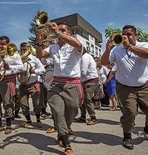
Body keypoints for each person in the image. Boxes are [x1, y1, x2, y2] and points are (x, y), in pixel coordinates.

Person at [101, 25, 148, 150]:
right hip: (124, 87)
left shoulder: (144, 44)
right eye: (123, 34)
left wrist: (129, 46)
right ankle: (127, 135)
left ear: (135, 35)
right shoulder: (117, 50)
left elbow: (147, 54)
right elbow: (103, 62)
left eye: (129, 34)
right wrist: (107, 50)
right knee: (130, 112)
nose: (125, 37)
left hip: (143, 86)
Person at [36, 22, 83, 155]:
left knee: (73, 110)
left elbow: (78, 45)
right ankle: (65, 140)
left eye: (63, 30)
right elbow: (39, 55)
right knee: (58, 112)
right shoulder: (52, 47)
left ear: (69, 33)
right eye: (58, 30)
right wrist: (39, 42)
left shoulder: (74, 44)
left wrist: (58, 33)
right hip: (56, 84)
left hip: (72, 84)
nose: (59, 31)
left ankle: (63, 129)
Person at [0, 36, 24, 134]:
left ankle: (8, 125)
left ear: (8, 44)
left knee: (8, 103)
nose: (0, 46)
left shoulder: (14, 54)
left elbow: (21, 67)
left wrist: (9, 67)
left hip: (7, 80)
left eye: (3, 44)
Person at [18, 43, 45, 128]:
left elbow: (42, 70)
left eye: (24, 50)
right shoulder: (18, 59)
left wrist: (35, 71)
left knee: (36, 103)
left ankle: (38, 120)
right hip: (23, 84)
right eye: (21, 49)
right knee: (23, 103)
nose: (22, 51)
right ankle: (28, 120)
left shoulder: (34, 59)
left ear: (28, 49)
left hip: (33, 84)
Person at [75, 51, 98, 125]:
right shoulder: (84, 57)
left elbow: (83, 71)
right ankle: (83, 116)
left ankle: (93, 118)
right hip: (86, 80)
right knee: (82, 98)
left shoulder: (85, 57)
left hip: (90, 80)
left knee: (87, 99)